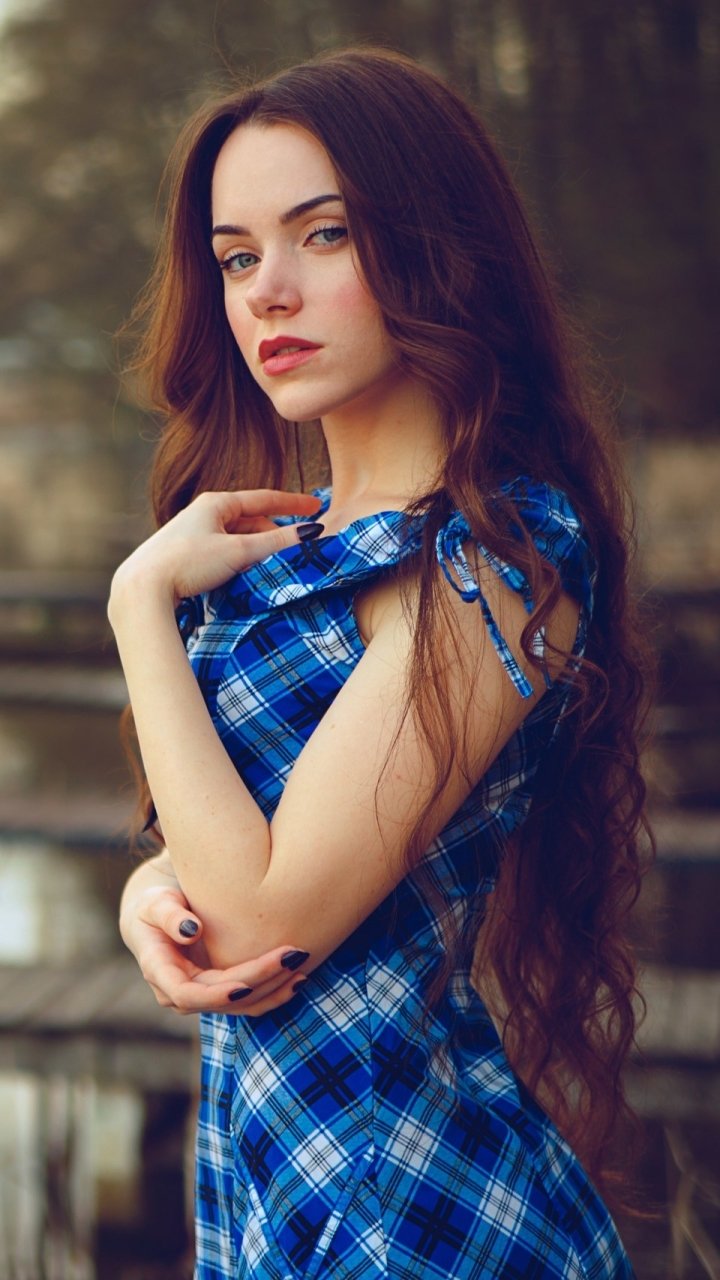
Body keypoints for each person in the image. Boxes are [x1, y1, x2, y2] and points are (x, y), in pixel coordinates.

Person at [112, 47, 651, 1280]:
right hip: (271, 1172)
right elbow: (225, 856)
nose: (267, 293)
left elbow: (271, 909)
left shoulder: (503, 554)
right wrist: (151, 897)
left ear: (433, 248)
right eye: (238, 256)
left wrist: (139, 600)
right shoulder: (284, 541)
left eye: (325, 236)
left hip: (409, 1200)